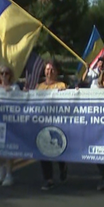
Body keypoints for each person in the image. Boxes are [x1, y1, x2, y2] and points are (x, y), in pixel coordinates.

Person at [36, 60, 68, 191]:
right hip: (44, 122)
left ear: (56, 72)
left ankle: (63, 165)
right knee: (43, 150)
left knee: (58, 148)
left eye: (52, 69)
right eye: (47, 69)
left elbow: (69, 100)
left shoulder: (61, 85)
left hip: (58, 122)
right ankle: (48, 179)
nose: (49, 72)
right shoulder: (39, 87)